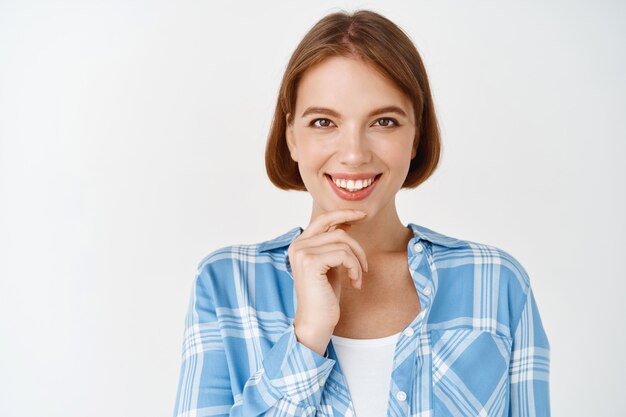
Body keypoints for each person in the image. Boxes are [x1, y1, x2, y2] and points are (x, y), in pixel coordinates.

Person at [172, 9, 550, 417]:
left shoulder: (496, 283)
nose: (354, 153)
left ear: (416, 136)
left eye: (384, 121)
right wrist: (307, 336)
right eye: (323, 122)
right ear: (291, 137)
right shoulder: (227, 286)